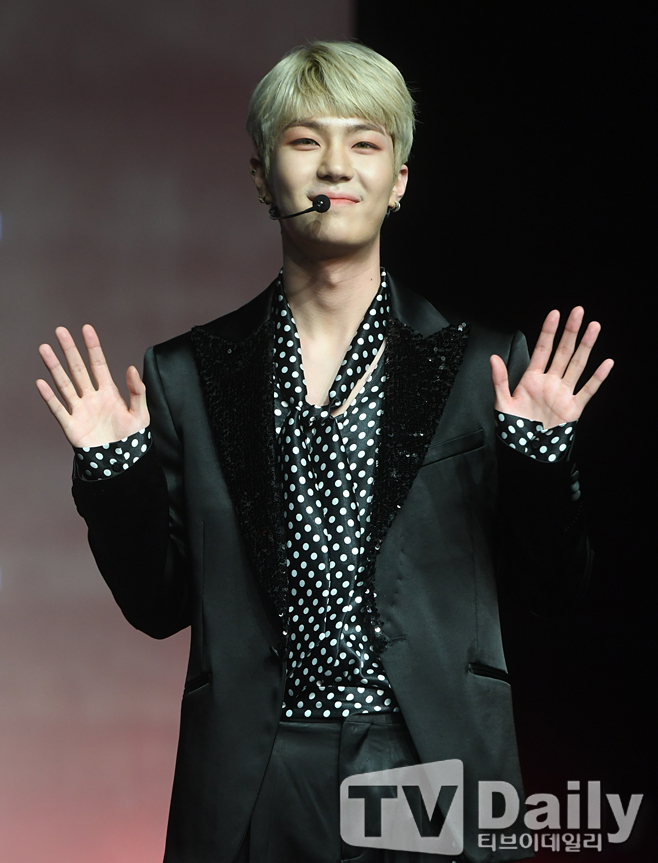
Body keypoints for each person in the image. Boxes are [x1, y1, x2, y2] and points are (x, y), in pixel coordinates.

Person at [36, 41, 613, 863]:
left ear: (399, 181)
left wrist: (540, 457)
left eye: (364, 142)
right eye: (305, 141)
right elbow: (157, 605)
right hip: (256, 769)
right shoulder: (189, 374)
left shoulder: (482, 365)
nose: (335, 165)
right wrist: (112, 471)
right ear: (262, 176)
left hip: (427, 753)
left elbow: (555, 586)